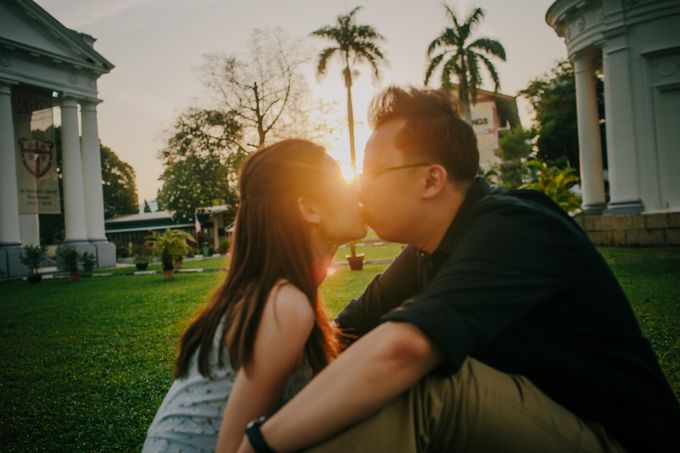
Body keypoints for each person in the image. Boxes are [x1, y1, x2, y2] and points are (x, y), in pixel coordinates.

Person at [234, 87, 680, 453]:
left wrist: (258, 443)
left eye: (371, 172)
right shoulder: (425, 252)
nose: (358, 187)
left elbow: (404, 348)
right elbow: (344, 338)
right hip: (544, 426)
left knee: (427, 388)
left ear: (432, 179)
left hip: (616, 441)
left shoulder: (517, 225)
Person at [142, 139, 366, 452]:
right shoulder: (285, 305)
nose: (357, 190)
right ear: (309, 209)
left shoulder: (272, 291)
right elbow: (235, 449)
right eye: (342, 182)